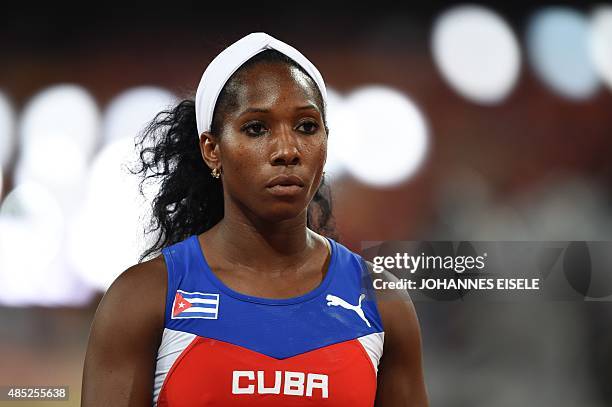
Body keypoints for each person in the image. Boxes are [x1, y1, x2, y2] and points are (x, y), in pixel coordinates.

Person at [81, 32, 429, 406]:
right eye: (256, 128)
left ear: (327, 143)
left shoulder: (381, 303)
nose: (287, 150)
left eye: (307, 126)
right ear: (212, 150)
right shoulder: (144, 299)